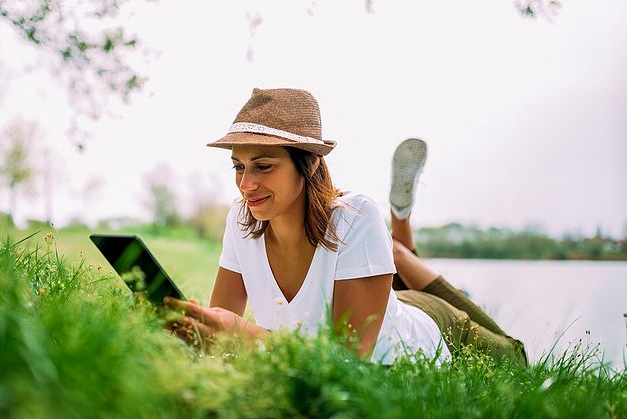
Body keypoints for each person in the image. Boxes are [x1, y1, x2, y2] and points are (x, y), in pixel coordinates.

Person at [165, 88, 527, 366]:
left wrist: (248, 339)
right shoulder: (241, 219)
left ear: (307, 165)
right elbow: (222, 321)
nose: (246, 184)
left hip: (433, 325)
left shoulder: (356, 216)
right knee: (390, 257)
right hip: (373, 299)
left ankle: (399, 219)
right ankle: (398, 230)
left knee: (516, 355)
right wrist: (204, 331)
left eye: (263, 166)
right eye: (238, 167)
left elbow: (349, 361)